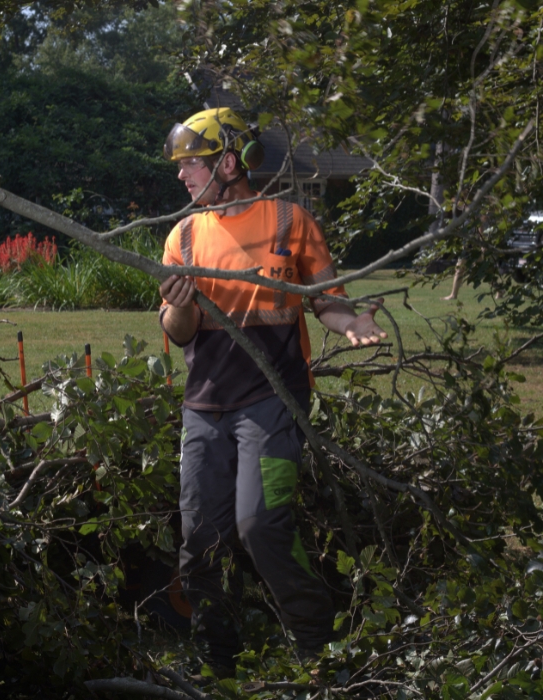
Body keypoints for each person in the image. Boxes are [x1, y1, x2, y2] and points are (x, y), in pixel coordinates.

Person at [159, 107, 387, 677]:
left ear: (228, 163)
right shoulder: (183, 235)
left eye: (191, 164)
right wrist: (180, 305)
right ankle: (219, 663)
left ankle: (319, 651)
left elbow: (325, 300)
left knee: (260, 525)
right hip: (203, 408)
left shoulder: (291, 221)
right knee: (199, 539)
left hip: (274, 402)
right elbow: (176, 330)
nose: (182, 177)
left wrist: (350, 322)